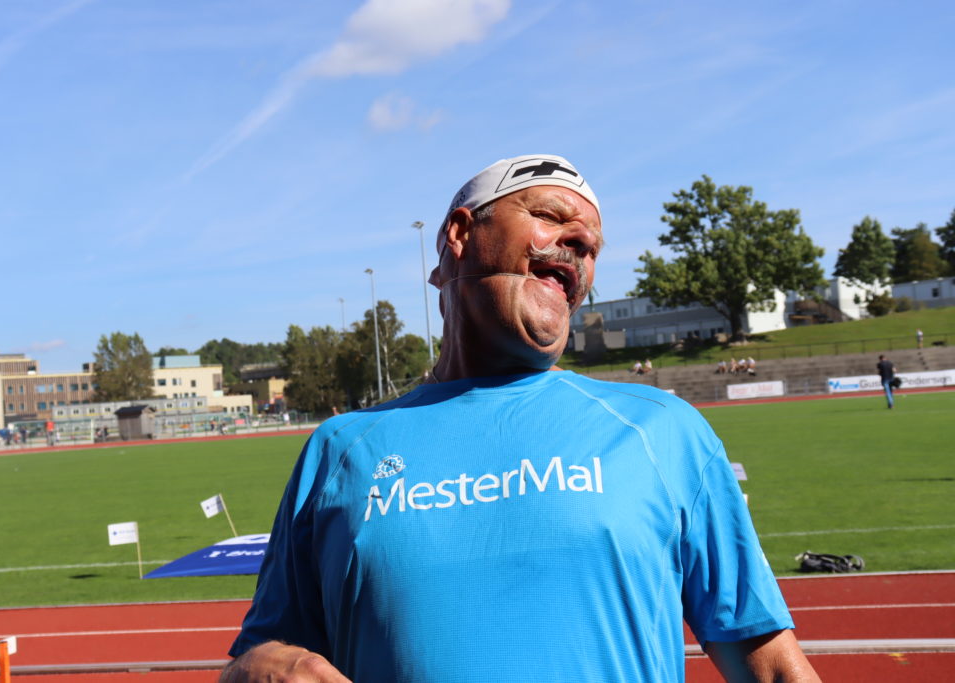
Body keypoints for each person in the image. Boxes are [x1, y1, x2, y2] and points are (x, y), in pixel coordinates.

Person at [221, 154, 818, 683]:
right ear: (459, 233)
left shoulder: (663, 429)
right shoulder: (341, 450)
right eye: (552, 216)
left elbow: (769, 663)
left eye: (592, 243)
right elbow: (257, 657)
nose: (581, 241)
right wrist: (263, 670)